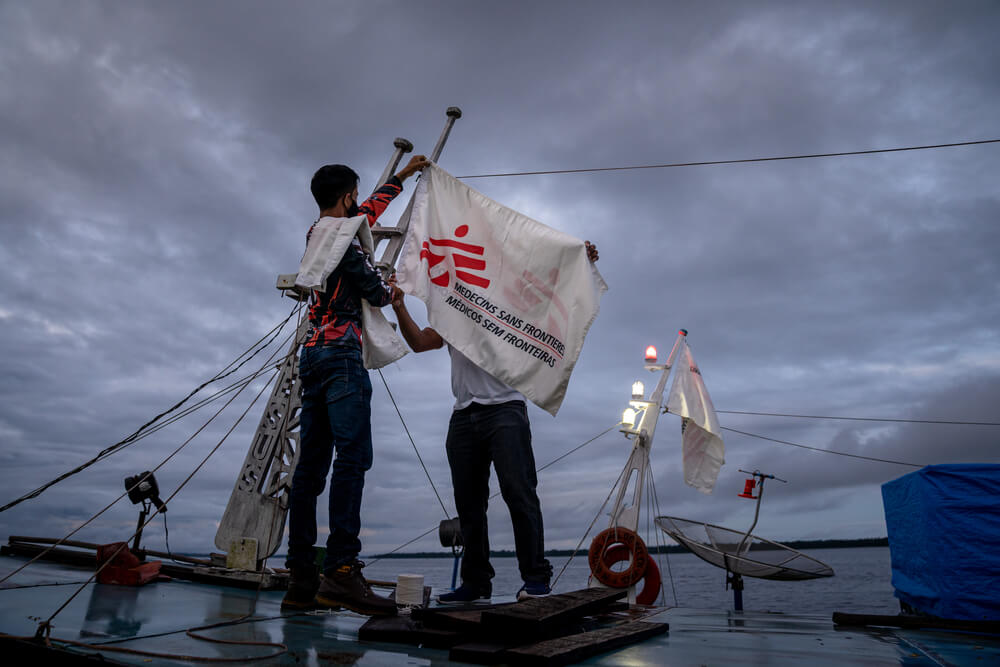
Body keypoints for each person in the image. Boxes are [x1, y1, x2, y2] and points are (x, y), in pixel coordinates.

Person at [390, 241, 599, 603]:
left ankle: (535, 579)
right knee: (470, 505)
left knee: (520, 494)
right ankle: (476, 584)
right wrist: (399, 305)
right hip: (463, 414)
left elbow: (550, 292)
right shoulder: (451, 310)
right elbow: (422, 342)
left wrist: (577, 261)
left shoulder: (509, 301)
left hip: (505, 409)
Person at [282, 155, 429, 615]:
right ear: (346, 196)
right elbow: (372, 288)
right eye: (355, 195)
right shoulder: (344, 240)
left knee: (308, 471)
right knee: (353, 456)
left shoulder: (318, 232)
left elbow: (366, 213)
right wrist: (392, 293)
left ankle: (301, 581)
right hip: (343, 355)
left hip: (312, 355)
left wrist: (400, 179)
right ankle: (343, 569)